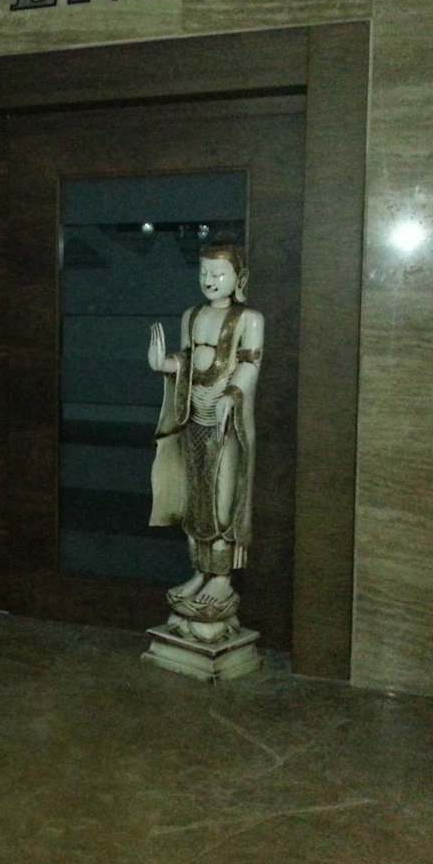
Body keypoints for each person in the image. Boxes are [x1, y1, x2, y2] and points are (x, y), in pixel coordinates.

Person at [146, 242, 263, 621]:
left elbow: (250, 365)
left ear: (239, 278)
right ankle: (200, 570)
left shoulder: (249, 320)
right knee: (194, 494)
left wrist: (232, 393)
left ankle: (222, 577)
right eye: (204, 273)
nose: (209, 280)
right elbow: (188, 360)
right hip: (193, 417)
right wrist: (164, 363)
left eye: (218, 274)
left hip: (225, 422)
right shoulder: (192, 315)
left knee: (222, 496)